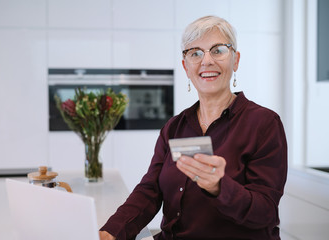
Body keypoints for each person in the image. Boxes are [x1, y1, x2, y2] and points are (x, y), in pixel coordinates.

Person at [99, 15, 287, 240]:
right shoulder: (174, 127)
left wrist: (220, 187)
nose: (206, 61)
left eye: (218, 50)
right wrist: (111, 232)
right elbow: (149, 191)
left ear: (235, 60)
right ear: (186, 67)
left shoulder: (264, 124)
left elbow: (265, 211)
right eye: (195, 53)